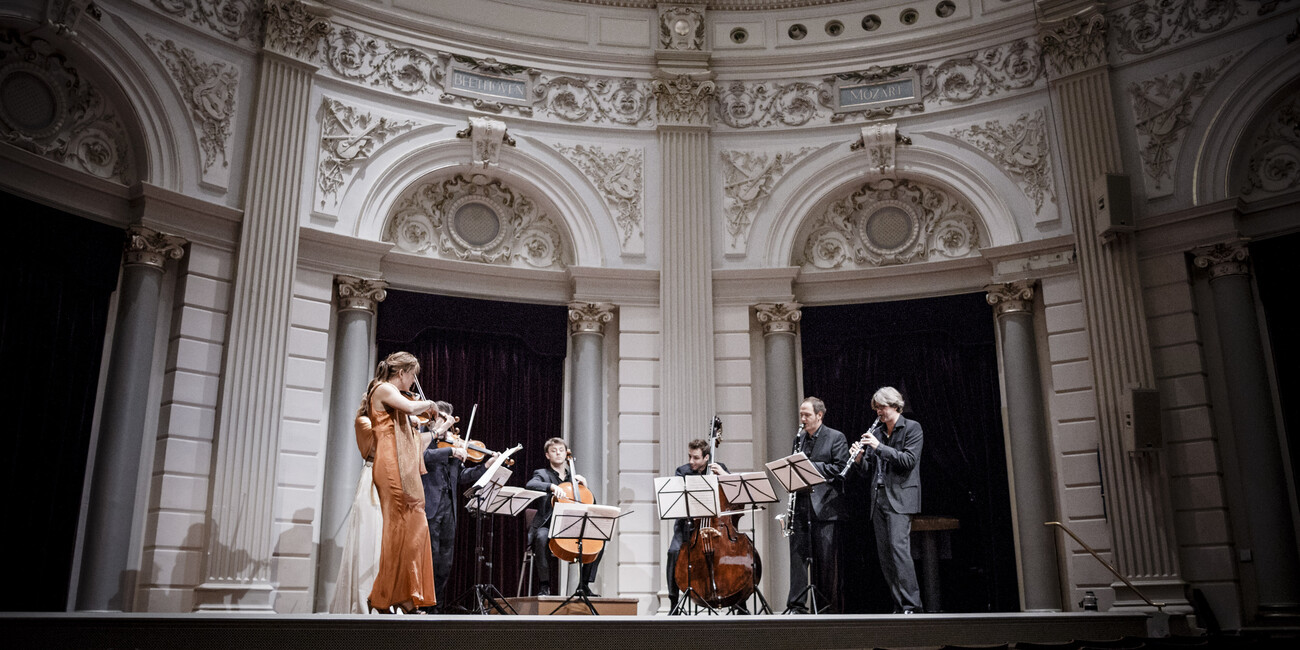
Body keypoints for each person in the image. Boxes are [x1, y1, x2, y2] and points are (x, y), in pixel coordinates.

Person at [364, 351, 439, 614]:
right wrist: (428, 402)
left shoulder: (397, 399)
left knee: (412, 531)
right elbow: (410, 407)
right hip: (391, 464)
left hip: (404, 466)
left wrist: (433, 427)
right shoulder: (383, 389)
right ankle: (389, 596)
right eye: (413, 376)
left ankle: (401, 595)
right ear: (402, 373)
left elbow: (415, 437)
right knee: (397, 532)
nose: (413, 382)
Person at [847, 386, 923, 614]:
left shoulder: (912, 428)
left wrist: (879, 447)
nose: (878, 412)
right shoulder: (878, 432)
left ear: (895, 406)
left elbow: (908, 460)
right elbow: (870, 469)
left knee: (900, 552)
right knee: (885, 556)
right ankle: (899, 605)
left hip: (900, 498)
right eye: (876, 408)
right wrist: (859, 459)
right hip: (878, 498)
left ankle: (913, 605)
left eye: (882, 407)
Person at [420, 401, 488, 613]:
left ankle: (436, 609)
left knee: (444, 563)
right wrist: (450, 450)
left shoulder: (451, 445)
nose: (443, 423)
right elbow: (421, 457)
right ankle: (422, 605)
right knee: (428, 559)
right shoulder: (423, 439)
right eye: (440, 417)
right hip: (427, 506)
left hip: (448, 507)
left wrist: (485, 467)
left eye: (447, 420)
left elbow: (462, 476)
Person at [786, 396, 848, 614]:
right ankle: (797, 605)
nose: (802, 419)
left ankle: (826, 608)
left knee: (826, 562)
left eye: (807, 415)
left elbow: (841, 469)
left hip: (825, 508)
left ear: (819, 416)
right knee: (798, 557)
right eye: (801, 414)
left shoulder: (836, 437)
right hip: (801, 506)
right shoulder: (799, 439)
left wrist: (810, 467)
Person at [525, 437, 602, 596]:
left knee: (598, 540)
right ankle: (544, 585)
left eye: (561, 450)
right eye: (553, 451)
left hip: (570, 526)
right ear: (548, 455)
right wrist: (551, 487)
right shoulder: (542, 474)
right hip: (548, 525)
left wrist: (585, 487)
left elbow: (590, 503)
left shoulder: (573, 478)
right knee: (541, 537)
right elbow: (530, 485)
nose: (558, 453)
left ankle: (584, 585)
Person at [666, 438, 729, 612]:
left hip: (715, 528)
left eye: (696, 458)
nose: (691, 461)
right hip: (687, 527)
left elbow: (734, 493)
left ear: (706, 458)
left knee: (728, 556)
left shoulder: (719, 468)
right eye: (690, 457)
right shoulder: (682, 472)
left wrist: (724, 475)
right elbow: (677, 501)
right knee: (673, 552)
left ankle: (739, 602)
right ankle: (673, 603)